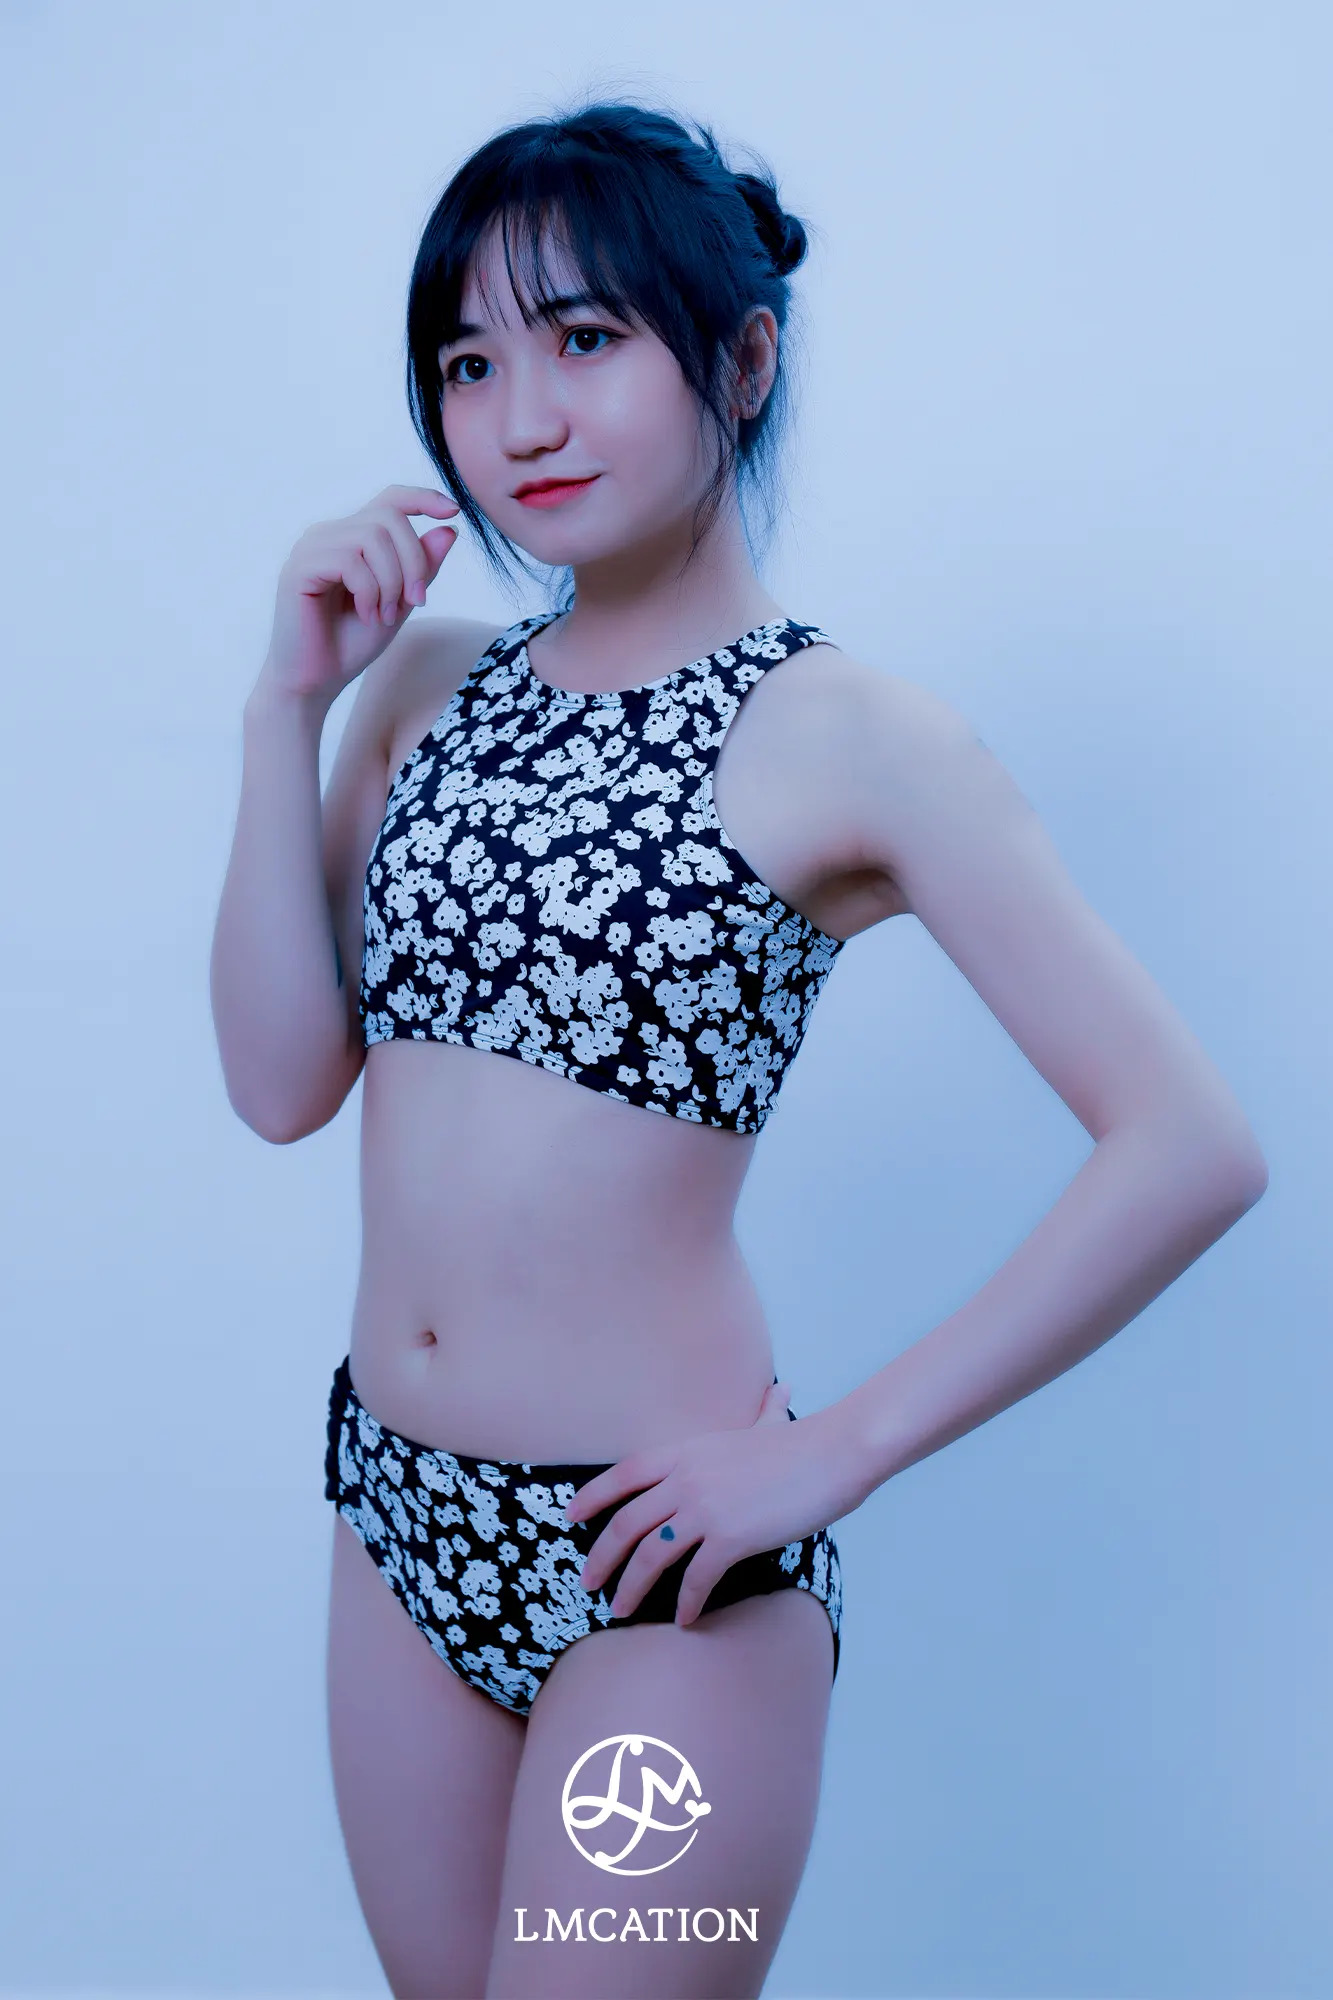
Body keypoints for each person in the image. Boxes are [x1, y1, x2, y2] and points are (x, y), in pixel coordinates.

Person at [209, 97, 1268, 2000]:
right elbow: (281, 1085)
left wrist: (830, 1456)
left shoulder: (849, 737)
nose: (520, 417)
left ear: (744, 358)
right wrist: (283, 712)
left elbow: (1188, 1144)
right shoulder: (424, 689)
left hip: (667, 1569)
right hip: (394, 1517)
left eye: (584, 339)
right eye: (469, 363)